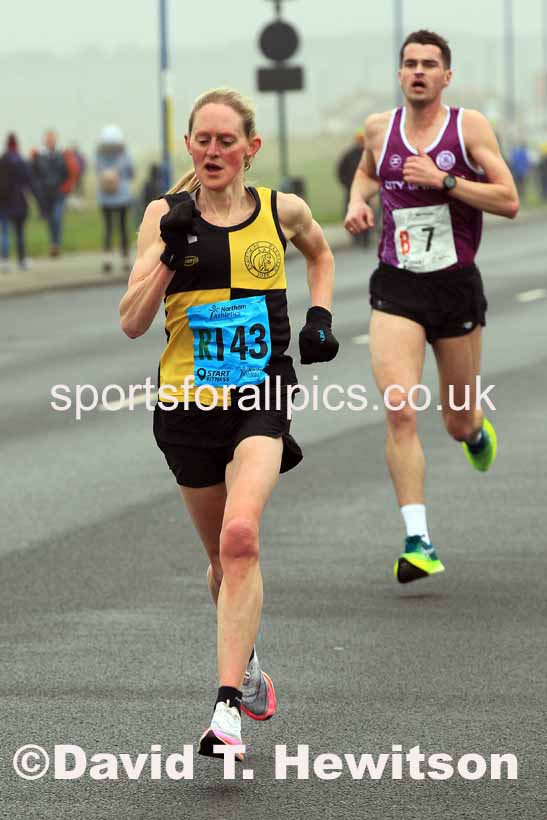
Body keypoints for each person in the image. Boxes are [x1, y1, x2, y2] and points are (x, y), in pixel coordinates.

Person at [119, 88, 338, 757]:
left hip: (260, 396)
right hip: (185, 407)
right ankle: (243, 666)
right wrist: (168, 251)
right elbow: (131, 321)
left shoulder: (281, 210)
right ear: (189, 145)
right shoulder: (163, 214)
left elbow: (320, 255)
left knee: (242, 537)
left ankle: (223, 713)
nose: (212, 152)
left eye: (225, 140)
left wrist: (318, 316)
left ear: (250, 147)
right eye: (201, 140)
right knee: (220, 560)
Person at [344, 30, 519, 584]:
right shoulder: (380, 129)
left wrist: (445, 179)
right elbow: (370, 170)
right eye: (410, 64)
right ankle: (418, 539)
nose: (418, 72)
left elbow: (509, 199)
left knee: (456, 418)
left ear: (447, 76)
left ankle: (473, 432)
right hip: (397, 285)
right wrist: (356, 201)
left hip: (454, 287)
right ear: (400, 75)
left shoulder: (468, 129)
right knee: (400, 409)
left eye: (430, 65)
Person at [96, 125, 134, 273]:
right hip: (123, 196)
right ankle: (125, 258)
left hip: (105, 196)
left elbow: (97, 169)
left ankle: (107, 258)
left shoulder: (99, 154)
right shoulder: (125, 154)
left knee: (108, 228)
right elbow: (131, 172)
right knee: (123, 228)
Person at [0, 133, 35, 272]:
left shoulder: (2, 160)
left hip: (3, 201)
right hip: (19, 201)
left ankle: (5, 260)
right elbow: (28, 180)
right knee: (19, 233)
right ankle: (21, 261)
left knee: (5, 232)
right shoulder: (21, 160)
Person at [31, 130, 69, 257]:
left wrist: (65, 187)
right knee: (51, 219)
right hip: (45, 194)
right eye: (49, 140)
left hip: (59, 192)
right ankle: (53, 243)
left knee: (57, 217)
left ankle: (56, 244)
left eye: (53, 140)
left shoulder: (61, 155)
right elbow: (35, 175)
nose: (51, 142)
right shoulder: (39, 156)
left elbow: (66, 172)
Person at [337, 131, 370, 247]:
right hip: (350, 190)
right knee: (350, 213)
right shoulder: (349, 155)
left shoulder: (368, 154)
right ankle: (356, 236)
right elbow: (340, 171)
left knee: (366, 213)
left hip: (365, 191)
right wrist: (347, 184)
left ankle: (366, 237)